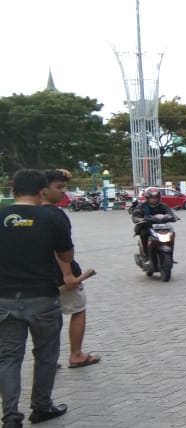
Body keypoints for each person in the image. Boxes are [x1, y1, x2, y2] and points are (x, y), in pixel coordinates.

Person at [0, 169, 77, 427]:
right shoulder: (51, 217)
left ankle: (10, 416)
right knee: (45, 355)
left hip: (5, 298)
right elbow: (66, 257)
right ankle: (41, 407)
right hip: (42, 297)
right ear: (42, 191)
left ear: (12, 191)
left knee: (9, 357)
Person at [41, 170, 100, 370]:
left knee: (47, 318)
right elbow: (60, 249)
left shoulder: (28, 213)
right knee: (78, 309)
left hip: (38, 277)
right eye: (58, 187)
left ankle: (47, 359)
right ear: (43, 190)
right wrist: (67, 274)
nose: (63, 192)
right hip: (62, 276)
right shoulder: (55, 215)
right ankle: (76, 354)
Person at [132, 187, 177, 260]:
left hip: (162, 227)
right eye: (151, 198)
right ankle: (146, 255)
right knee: (144, 234)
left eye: (156, 197)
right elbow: (135, 215)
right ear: (147, 198)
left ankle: (171, 255)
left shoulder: (163, 205)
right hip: (146, 226)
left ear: (159, 198)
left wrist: (173, 217)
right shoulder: (142, 206)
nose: (154, 199)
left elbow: (170, 213)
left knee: (172, 234)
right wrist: (138, 218)